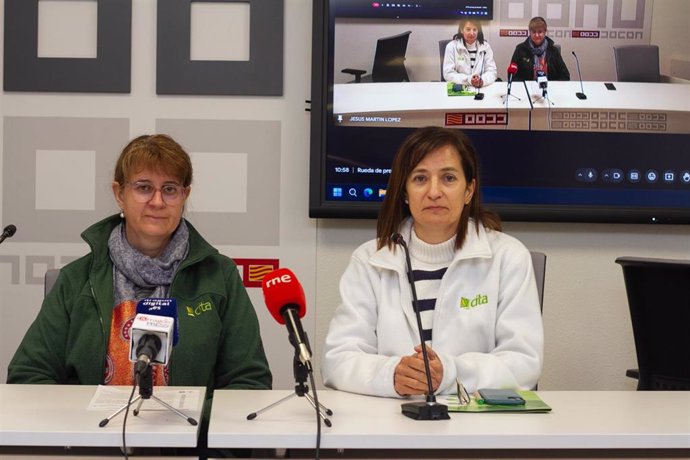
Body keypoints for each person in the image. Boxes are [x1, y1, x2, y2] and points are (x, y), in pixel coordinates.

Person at [7, 134, 271, 453]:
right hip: (93, 450)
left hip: (190, 451)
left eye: (170, 189)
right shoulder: (76, 280)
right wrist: (82, 431)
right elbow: (28, 377)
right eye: (144, 187)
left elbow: (249, 383)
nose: (157, 201)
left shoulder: (219, 277)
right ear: (120, 193)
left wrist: (190, 430)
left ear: (184, 195)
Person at [321, 126, 543, 398]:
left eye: (448, 178)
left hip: (477, 431)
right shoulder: (370, 260)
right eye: (420, 178)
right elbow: (337, 361)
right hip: (388, 427)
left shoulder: (508, 257)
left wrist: (449, 374)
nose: (434, 191)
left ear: (469, 190)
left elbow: (524, 363)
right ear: (404, 192)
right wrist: (392, 375)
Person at [510, 16, 570, 81]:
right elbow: (512, 76)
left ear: (545, 32)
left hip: (549, 88)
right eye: (534, 32)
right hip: (527, 88)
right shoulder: (520, 49)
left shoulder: (553, 50)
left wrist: (553, 86)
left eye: (540, 32)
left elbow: (565, 76)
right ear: (530, 32)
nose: (537, 35)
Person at [443, 19, 497, 87]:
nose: (472, 33)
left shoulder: (485, 47)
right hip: (459, 88)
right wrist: (468, 79)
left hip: (481, 89)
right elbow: (448, 74)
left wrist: (482, 80)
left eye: (475, 29)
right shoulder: (451, 47)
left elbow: (492, 72)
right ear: (461, 30)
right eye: (468, 29)